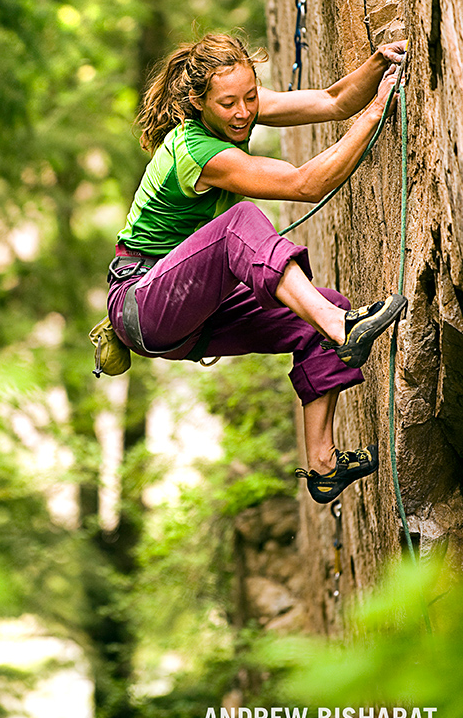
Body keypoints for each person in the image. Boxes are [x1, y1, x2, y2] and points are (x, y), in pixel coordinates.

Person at [106, 33, 407, 504]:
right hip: (141, 303)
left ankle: (324, 465)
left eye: (250, 97)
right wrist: (376, 114)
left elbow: (332, 100)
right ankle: (341, 329)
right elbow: (305, 183)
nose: (244, 112)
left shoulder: (235, 109)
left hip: (195, 315)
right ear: (197, 101)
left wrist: (377, 65)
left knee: (321, 312)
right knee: (238, 225)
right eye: (229, 103)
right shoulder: (197, 152)